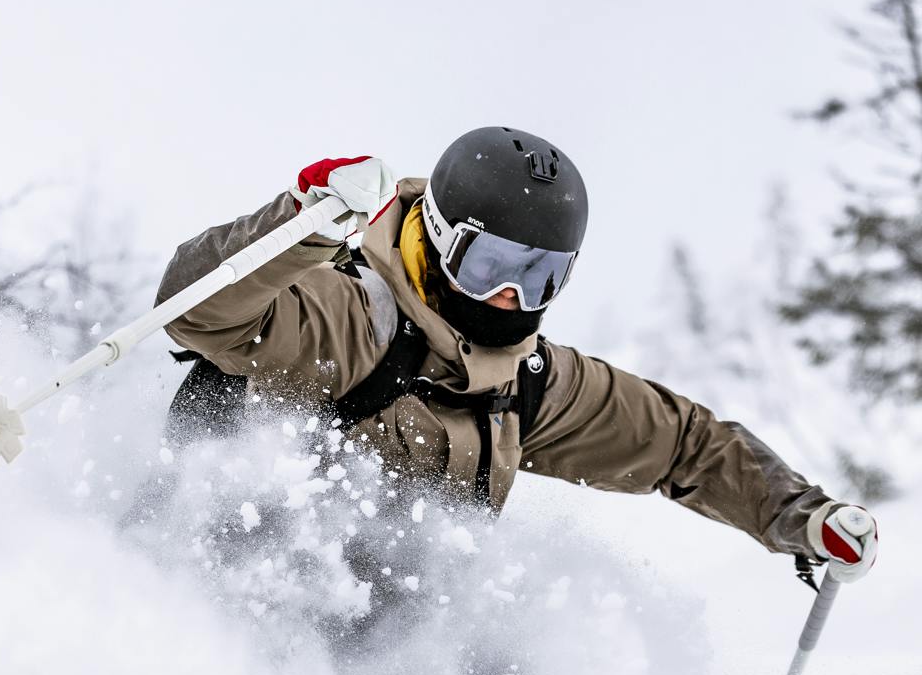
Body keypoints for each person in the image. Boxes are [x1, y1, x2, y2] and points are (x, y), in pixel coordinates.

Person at [156, 126, 878, 585]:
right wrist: (299, 225)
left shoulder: (525, 383)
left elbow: (684, 444)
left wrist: (799, 515)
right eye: (490, 264)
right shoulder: (350, 318)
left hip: (384, 654)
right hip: (219, 597)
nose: (509, 296)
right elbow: (195, 311)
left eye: (539, 276)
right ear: (438, 236)